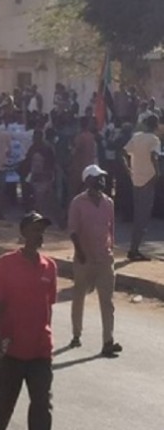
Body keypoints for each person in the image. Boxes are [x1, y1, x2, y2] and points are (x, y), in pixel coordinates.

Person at [0, 211, 62, 430]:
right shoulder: (7, 263)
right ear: (23, 232)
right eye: (34, 228)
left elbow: (48, 307)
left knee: (42, 405)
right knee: (4, 403)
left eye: (42, 229)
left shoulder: (49, 267)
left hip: (40, 348)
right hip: (12, 348)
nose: (39, 234)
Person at [68, 164, 121, 357]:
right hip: (84, 258)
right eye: (97, 178)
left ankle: (108, 340)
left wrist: (111, 249)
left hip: (104, 258)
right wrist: (80, 252)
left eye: (103, 178)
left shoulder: (108, 202)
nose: (102, 181)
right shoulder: (78, 203)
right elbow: (73, 230)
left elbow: (111, 229)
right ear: (88, 181)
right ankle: (76, 333)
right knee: (79, 297)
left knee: (107, 301)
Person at [122, 115, 160, 261]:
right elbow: (153, 157)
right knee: (142, 218)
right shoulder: (154, 140)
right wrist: (157, 174)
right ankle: (134, 250)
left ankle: (134, 248)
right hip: (148, 179)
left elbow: (123, 152)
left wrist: (128, 169)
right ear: (155, 125)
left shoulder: (137, 137)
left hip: (136, 179)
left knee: (139, 216)